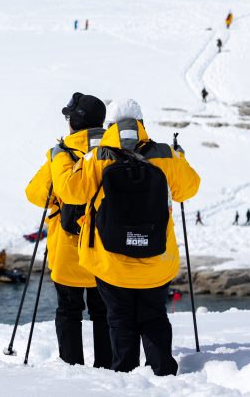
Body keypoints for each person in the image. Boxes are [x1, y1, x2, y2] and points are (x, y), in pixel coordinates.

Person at [53, 103, 200, 376]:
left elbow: (70, 192)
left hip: (111, 261)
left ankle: (124, 376)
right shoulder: (165, 154)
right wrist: (181, 158)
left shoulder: (97, 157)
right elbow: (188, 189)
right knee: (154, 315)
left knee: (119, 318)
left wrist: (61, 156)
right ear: (141, 123)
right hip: (157, 258)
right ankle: (163, 373)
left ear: (110, 125)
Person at [25, 92, 111, 368]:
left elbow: (35, 194)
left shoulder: (59, 155)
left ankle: (72, 368)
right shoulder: (112, 151)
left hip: (67, 249)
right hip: (106, 249)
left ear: (73, 122)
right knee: (104, 311)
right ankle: (107, 367)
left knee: (69, 310)